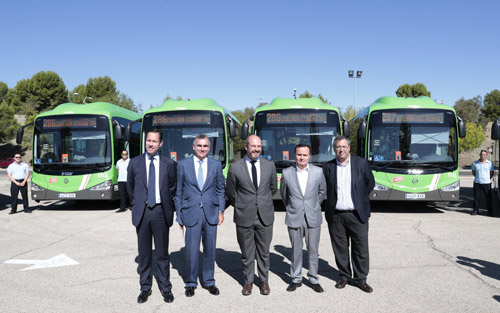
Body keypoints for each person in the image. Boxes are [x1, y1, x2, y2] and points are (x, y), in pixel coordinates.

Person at [126, 129, 177, 304]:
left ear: (160, 143)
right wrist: (138, 203)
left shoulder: (169, 164)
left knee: (162, 254)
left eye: (154, 141)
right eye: (148, 140)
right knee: (145, 254)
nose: (151, 144)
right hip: (142, 212)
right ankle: (145, 288)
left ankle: (165, 287)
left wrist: (162, 204)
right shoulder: (134, 163)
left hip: (160, 213)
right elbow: (130, 188)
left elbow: (172, 188)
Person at [226, 135, 277, 296]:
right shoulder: (235, 167)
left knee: (264, 251)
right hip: (244, 215)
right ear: (246, 147)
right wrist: (243, 204)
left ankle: (264, 280)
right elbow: (231, 192)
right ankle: (248, 282)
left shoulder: (269, 165)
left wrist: (261, 202)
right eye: (253, 146)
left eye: (259, 146)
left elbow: (273, 188)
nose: (256, 149)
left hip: (265, 215)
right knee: (247, 253)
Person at [323, 135, 375, 293]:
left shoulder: (361, 163)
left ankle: (360, 279)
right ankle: (344, 276)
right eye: (338, 147)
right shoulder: (328, 167)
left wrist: (359, 199)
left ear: (349, 148)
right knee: (340, 248)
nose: (341, 150)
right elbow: (325, 188)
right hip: (336, 215)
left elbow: (370, 184)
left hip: (357, 214)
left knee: (360, 248)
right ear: (334, 149)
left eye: (344, 147)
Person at [175, 134, 225, 297]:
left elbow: (220, 189)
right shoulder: (182, 165)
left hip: (211, 213)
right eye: (199, 146)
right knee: (191, 250)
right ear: (193, 147)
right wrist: (179, 214)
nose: (202, 149)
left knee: (210, 249)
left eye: (205, 146)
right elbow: (179, 192)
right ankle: (190, 282)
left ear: (209, 148)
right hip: (191, 213)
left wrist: (221, 211)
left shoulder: (216, 165)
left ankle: (209, 281)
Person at [280, 144, 326, 293]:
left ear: (309, 156)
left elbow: (322, 192)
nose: (302, 157)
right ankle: (296, 278)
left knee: (313, 250)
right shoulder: (287, 173)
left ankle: (313, 278)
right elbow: (284, 195)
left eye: (305, 155)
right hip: (295, 216)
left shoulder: (318, 172)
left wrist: (312, 206)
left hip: (313, 216)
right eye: (299, 155)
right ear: (295, 155)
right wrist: (294, 207)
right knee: (296, 250)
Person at [471, 150, 494, 216]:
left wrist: (486, 179)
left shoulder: (489, 163)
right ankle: (475, 210)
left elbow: (491, 173)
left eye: (484, 155)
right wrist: (478, 177)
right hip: (477, 182)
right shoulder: (475, 163)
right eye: (481, 154)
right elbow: (473, 172)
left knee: (489, 198)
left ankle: (490, 212)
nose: (482, 156)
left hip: (487, 183)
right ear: (479, 155)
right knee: (476, 197)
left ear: (486, 155)